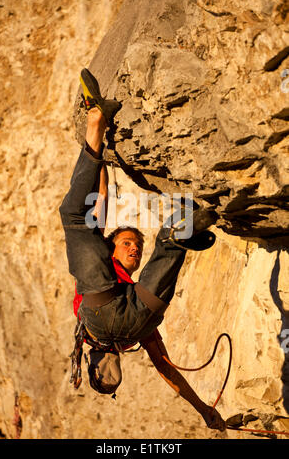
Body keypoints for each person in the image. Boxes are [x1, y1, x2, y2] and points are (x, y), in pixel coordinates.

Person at [59, 68, 226, 432]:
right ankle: (95, 121)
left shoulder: (131, 314)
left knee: (170, 239)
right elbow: (98, 204)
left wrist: (203, 411)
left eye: (136, 245)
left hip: (132, 318)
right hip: (103, 311)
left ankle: (194, 219)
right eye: (126, 243)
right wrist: (202, 409)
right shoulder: (104, 268)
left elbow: (164, 366)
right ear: (110, 249)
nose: (133, 247)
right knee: (75, 216)